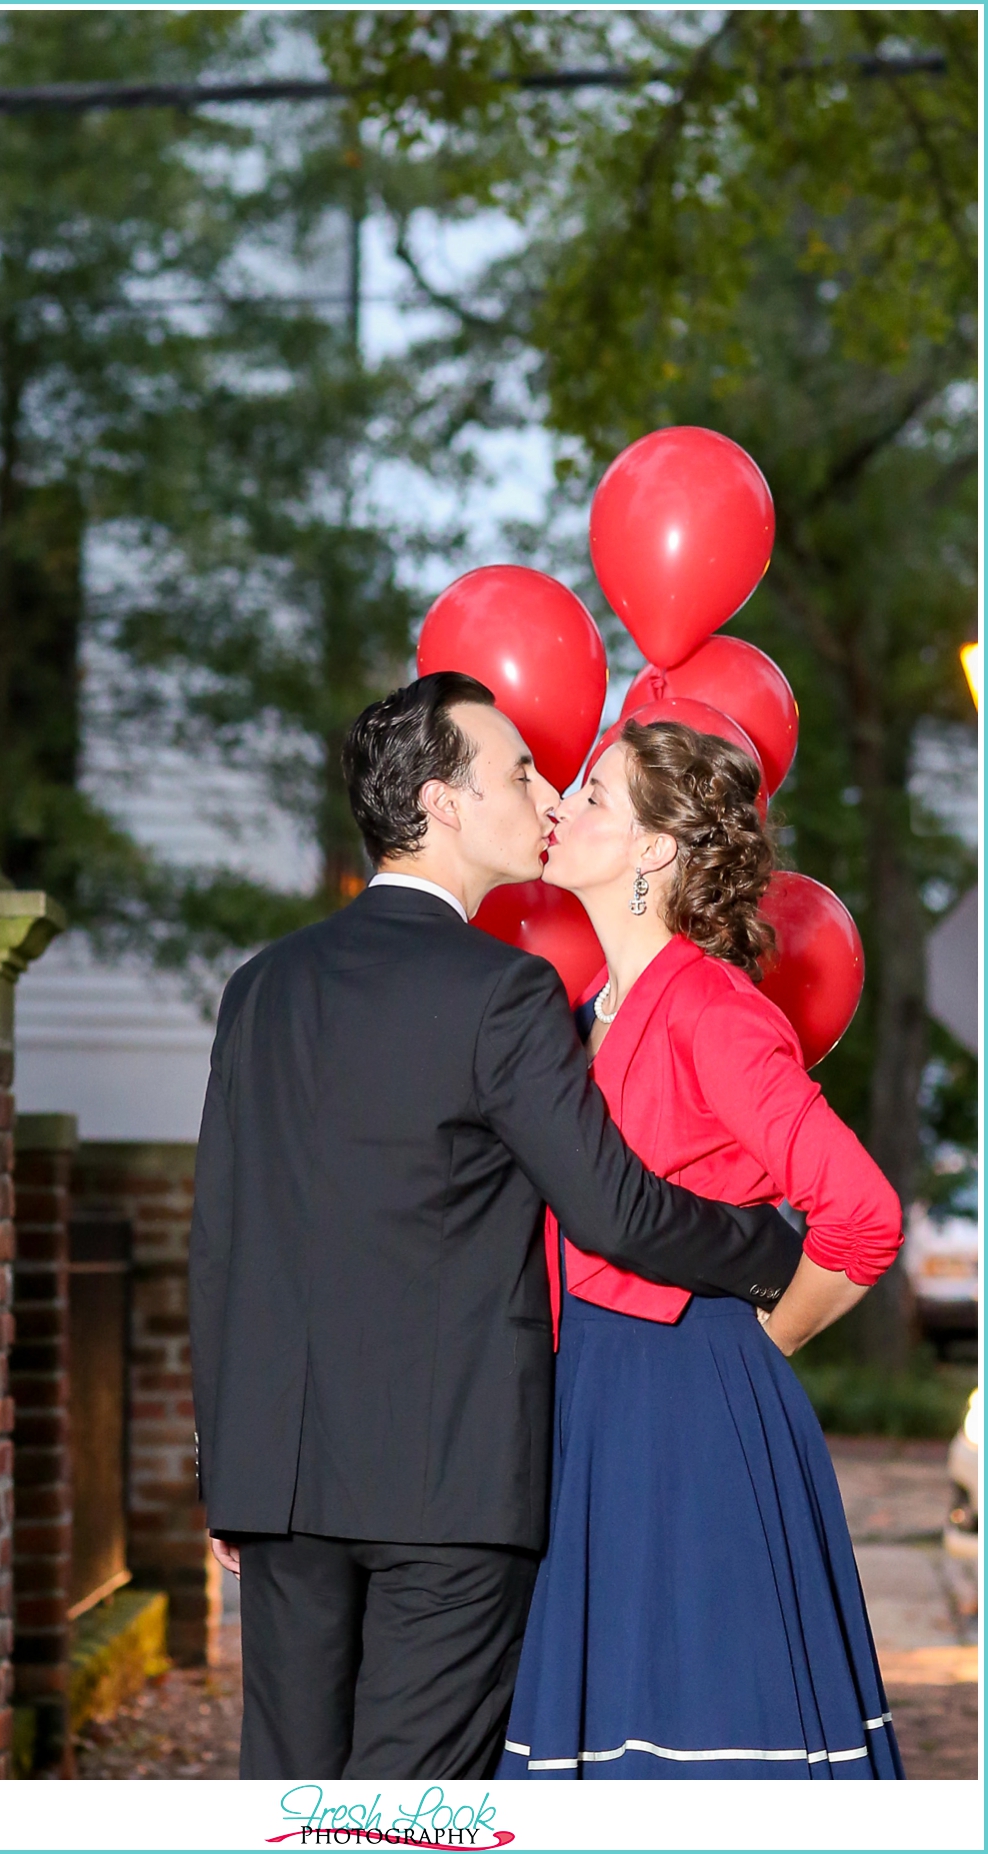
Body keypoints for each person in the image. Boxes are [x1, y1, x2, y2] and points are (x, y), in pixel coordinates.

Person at [189, 672, 804, 1781]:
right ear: (444, 803)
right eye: (518, 769)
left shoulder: (260, 988)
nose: (543, 790)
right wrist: (771, 1248)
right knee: (416, 1806)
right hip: (451, 1483)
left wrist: (223, 1464)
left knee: (291, 1794)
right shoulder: (504, 993)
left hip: (276, 1479)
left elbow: (223, 1240)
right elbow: (613, 1208)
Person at [497, 718, 905, 1781]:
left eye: (592, 798)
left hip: (685, 1414)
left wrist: (765, 1343)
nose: (562, 808)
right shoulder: (585, 1009)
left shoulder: (712, 1009)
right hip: (585, 1399)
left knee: (696, 1744)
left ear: (651, 850)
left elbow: (862, 1213)